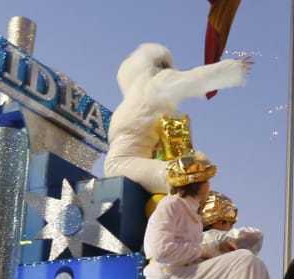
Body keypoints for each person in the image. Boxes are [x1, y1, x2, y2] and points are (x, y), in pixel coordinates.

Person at [142, 151, 281, 279]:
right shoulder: (171, 205)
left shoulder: (192, 213)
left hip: (182, 276)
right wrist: (205, 250)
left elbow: (191, 252)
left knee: (252, 263)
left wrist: (216, 252)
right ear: (198, 184)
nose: (209, 186)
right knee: (243, 260)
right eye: (207, 181)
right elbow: (160, 250)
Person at [103, 43, 251, 194]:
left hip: (123, 163)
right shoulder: (156, 82)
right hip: (122, 163)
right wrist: (232, 68)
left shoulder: (132, 98)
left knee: (186, 175)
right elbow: (194, 79)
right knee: (183, 177)